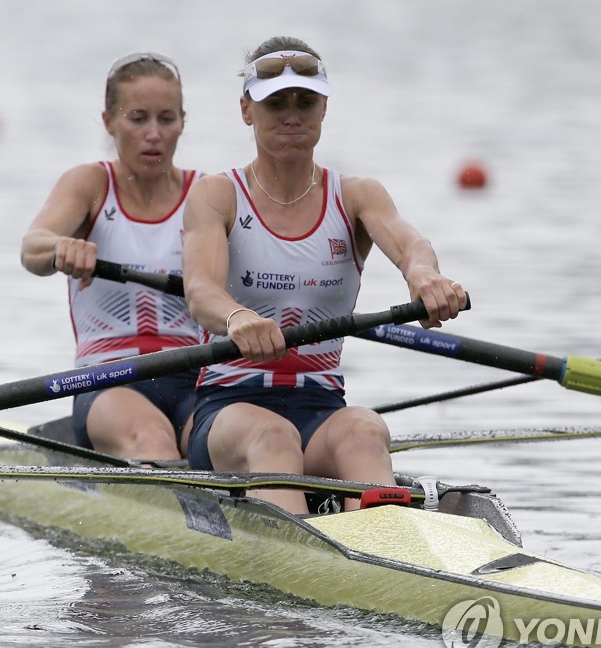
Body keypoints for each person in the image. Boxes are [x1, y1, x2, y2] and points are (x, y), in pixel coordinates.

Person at [181, 37, 468, 513]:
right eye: (275, 102)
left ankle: (387, 554)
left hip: (320, 410)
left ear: (324, 108)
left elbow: (411, 244)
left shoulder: (357, 195)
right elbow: (200, 291)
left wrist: (425, 278)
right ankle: (306, 565)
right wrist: (236, 318)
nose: (291, 114)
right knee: (273, 437)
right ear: (246, 110)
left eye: (305, 101)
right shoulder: (218, 194)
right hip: (227, 410)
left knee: (365, 427)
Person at [21, 51, 200, 461]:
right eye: (138, 119)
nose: (153, 133)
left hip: (194, 377)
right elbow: (32, 247)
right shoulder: (91, 184)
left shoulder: (207, 195)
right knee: (152, 438)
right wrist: (60, 248)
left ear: (182, 123)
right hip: (109, 380)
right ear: (109, 122)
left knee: (231, 444)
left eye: (166, 119)